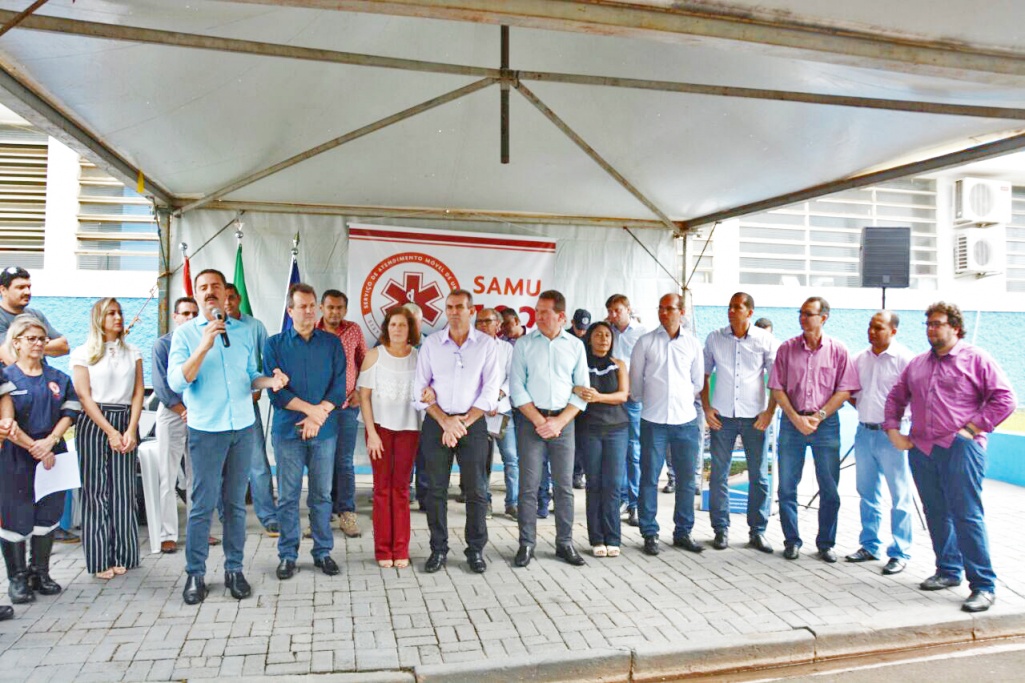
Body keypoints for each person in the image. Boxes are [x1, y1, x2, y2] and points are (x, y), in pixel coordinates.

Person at [885, 302, 1015, 613]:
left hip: (960, 449)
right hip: (922, 450)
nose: (931, 329)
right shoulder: (917, 364)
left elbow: (1005, 398)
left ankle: (983, 585)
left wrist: (971, 429)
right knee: (935, 512)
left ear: (955, 327)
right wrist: (893, 431)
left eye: (938, 323)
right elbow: (896, 397)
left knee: (966, 515)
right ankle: (947, 570)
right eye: (928, 324)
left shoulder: (976, 359)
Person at [168, 269, 288, 605]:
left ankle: (234, 569)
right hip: (206, 430)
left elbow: (250, 377)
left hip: (242, 428)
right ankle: (195, 573)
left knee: (235, 505)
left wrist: (271, 381)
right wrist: (205, 344)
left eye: (215, 287)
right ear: (197, 294)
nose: (210, 292)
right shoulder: (186, 335)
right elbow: (177, 381)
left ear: (225, 294)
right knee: (202, 505)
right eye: (203, 287)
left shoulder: (244, 332)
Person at [414, 289, 500, 574]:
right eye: (449, 307)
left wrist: (461, 422)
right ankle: (438, 549)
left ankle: (475, 550)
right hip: (437, 423)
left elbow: (490, 391)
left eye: (459, 307)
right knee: (435, 490)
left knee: (476, 490)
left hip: (472, 425)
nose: (453, 312)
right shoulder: (432, 344)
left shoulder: (486, 345)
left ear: (471, 310)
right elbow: (419, 389)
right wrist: (444, 421)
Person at [264, 283, 346, 580]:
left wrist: (317, 416)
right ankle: (288, 555)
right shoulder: (274, 344)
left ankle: (322, 552)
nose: (309, 311)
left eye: (313, 305)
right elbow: (276, 393)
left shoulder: (332, 343)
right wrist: (311, 411)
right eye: (302, 306)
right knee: (288, 497)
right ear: (290, 310)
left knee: (321, 496)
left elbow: (339, 387)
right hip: (288, 433)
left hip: (324, 432)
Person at [769, 296, 859, 562]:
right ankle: (791, 540)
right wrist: (796, 418)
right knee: (787, 486)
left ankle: (826, 543)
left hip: (826, 424)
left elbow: (845, 390)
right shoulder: (786, 349)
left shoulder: (838, 350)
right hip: (791, 423)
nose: (803, 318)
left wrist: (819, 416)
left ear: (824, 318)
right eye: (801, 313)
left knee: (829, 487)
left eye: (808, 314)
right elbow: (777, 388)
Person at [1, 315, 79, 607]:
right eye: (31, 338)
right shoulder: (6, 378)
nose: (37, 343)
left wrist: (50, 442)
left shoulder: (58, 378)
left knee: (48, 512)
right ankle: (18, 578)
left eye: (42, 339)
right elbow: (5, 420)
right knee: (15, 515)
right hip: (16, 454)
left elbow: (70, 412)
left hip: (52, 454)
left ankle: (40, 573)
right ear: (16, 342)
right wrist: (34, 446)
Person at [510, 289, 589, 568]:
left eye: (544, 312)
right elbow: (516, 387)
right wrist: (539, 421)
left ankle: (564, 543)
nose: (538, 317)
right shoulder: (524, 344)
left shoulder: (575, 346)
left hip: (563, 424)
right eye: (537, 311)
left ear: (561, 316)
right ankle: (526, 544)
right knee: (528, 487)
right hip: (531, 423)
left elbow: (582, 390)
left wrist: (559, 422)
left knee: (564, 487)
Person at [70, 298, 145, 580]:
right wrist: (110, 431)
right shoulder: (83, 353)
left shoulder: (132, 352)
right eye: (111, 313)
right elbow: (83, 395)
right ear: (99, 319)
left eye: (120, 312)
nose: (117, 317)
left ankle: (125, 554)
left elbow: (138, 391)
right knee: (96, 490)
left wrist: (131, 429)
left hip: (125, 417)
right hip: (94, 420)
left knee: (124, 489)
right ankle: (100, 558)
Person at [629, 293, 704, 556]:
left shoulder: (692, 343)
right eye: (660, 308)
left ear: (681, 312)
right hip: (654, 421)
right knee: (649, 478)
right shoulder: (646, 342)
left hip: (685, 421)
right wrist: (650, 401)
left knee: (686, 479)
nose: (664, 313)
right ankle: (649, 533)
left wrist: (679, 399)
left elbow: (697, 383)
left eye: (669, 308)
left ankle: (683, 532)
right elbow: (635, 382)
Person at [701, 292, 776, 553]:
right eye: (730, 307)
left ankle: (758, 531)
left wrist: (769, 412)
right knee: (718, 475)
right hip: (722, 417)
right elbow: (703, 374)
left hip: (755, 417)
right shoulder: (715, 338)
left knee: (759, 476)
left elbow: (776, 380)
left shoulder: (765, 340)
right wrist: (706, 407)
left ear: (750, 312)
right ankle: (720, 529)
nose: (731, 311)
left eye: (737, 307)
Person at [845, 311, 916, 575]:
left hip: (894, 435)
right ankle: (869, 545)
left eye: (878, 327)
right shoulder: (859, 359)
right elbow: (850, 393)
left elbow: (916, 397)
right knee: (867, 492)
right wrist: (866, 410)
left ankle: (900, 552)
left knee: (899, 495)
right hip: (865, 433)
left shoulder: (905, 360)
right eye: (870, 327)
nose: (872, 332)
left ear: (893, 331)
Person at [358, 307, 421, 568]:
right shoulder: (374, 356)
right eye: (393, 324)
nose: (397, 329)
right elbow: (364, 397)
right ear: (386, 327)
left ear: (410, 329)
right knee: (382, 489)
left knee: (401, 489)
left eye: (402, 325)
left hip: (409, 429)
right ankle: (383, 550)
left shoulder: (418, 357)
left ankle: (401, 549)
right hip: (379, 429)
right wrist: (372, 434)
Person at [224, 283, 279, 537]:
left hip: (248, 403)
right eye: (223, 298)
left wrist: (260, 387)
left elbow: (266, 360)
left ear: (239, 299)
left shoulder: (254, 327)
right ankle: (226, 518)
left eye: (231, 298)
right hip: (220, 409)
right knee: (223, 465)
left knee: (257, 462)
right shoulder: (210, 328)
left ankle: (268, 515)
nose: (227, 303)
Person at [573, 321, 629, 558]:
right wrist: (577, 390)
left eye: (607, 335)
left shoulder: (619, 364)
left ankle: (613, 538)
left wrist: (598, 397)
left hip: (617, 430)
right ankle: (596, 539)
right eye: (598, 335)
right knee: (594, 484)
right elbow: (571, 386)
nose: (604, 339)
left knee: (613, 485)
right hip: (589, 430)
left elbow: (623, 395)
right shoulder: (580, 364)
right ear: (590, 339)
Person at [151, 296, 199, 554]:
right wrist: (182, 411)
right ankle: (167, 534)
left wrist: (196, 412)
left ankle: (197, 530)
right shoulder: (163, 345)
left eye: (194, 313)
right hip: (172, 413)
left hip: (199, 414)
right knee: (167, 476)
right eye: (185, 313)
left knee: (196, 476)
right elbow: (161, 385)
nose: (190, 318)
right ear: (175, 317)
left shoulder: (202, 342)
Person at [317, 289, 367, 538]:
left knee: (344, 462)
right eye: (330, 307)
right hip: (319, 410)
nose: (335, 312)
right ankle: (322, 514)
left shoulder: (354, 330)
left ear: (345, 310)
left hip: (347, 407)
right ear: (321, 308)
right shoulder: (312, 331)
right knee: (320, 461)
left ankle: (347, 512)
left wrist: (360, 391)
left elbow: (365, 363)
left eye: (339, 308)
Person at [474, 308, 518, 518]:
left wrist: (496, 397)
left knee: (511, 458)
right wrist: (485, 402)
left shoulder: (507, 349)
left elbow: (512, 377)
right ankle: (485, 502)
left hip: (502, 411)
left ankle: (513, 503)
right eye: (479, 322)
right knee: (482, 461)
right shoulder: (470, 348)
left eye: (487, 321)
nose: (482, 325)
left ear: (498, 325)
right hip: (479, 413)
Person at [606, 294, 645, 528]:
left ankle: (635, 502)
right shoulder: (606, 332)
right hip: (611, 398)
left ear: (628, 309)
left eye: (617, 310)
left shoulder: (641, 333)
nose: (613, 315)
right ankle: (620, 498)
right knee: (615, 450)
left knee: (633, 450)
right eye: (610, 311)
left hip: (632, 399)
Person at [0, 266, 69, 366]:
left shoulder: (36, 315)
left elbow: (64, 346)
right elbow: (10, 357)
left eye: (28, 287)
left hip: (41, 374)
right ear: (3, 290)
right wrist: (44, 343)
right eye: (20, 287)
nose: (27, 292)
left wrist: (25, 346)